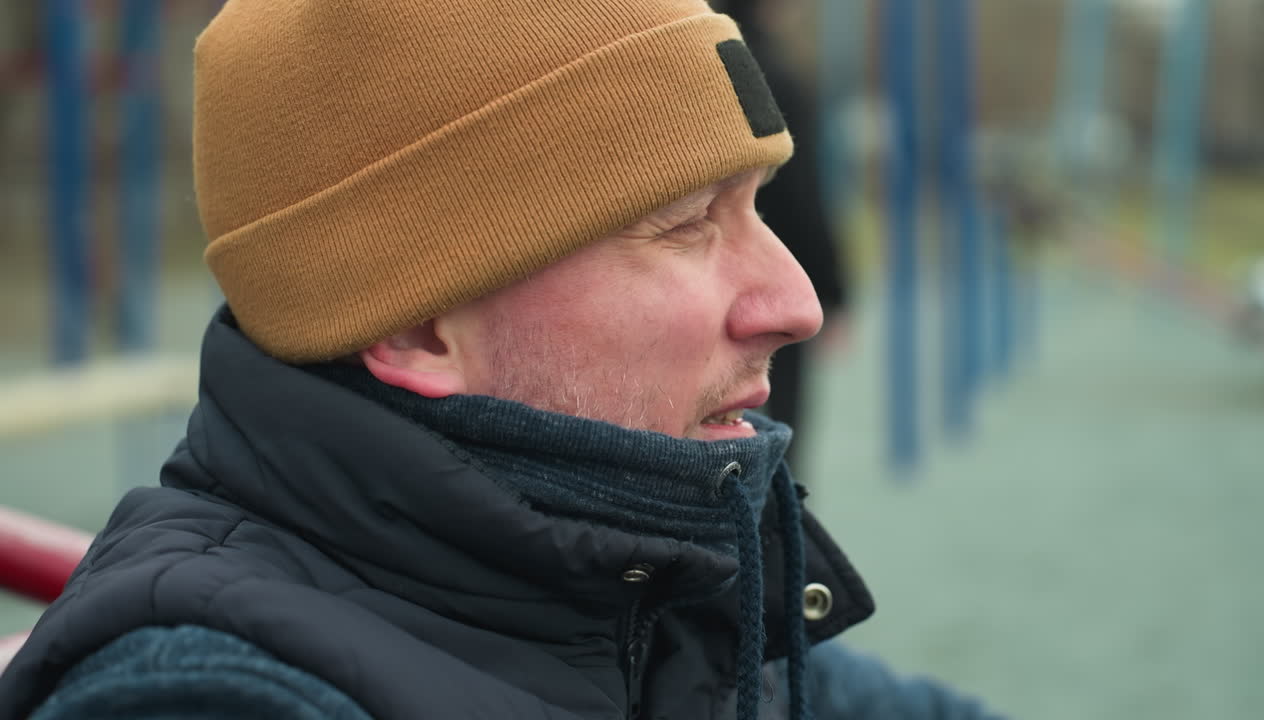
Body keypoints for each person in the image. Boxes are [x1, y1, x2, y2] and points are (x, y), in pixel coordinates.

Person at [0, 1, 1007, 718]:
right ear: (414, 326)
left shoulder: (655, 602)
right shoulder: (213, 698)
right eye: (683, 222)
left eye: (756, 206)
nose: (793, 304)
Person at [717, 0, 853, 466]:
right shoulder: (776, 78)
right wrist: (832, 290)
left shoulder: (691, 61)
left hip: (707, 276)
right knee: (783, 423)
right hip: (771, 275)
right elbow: (804, 197)